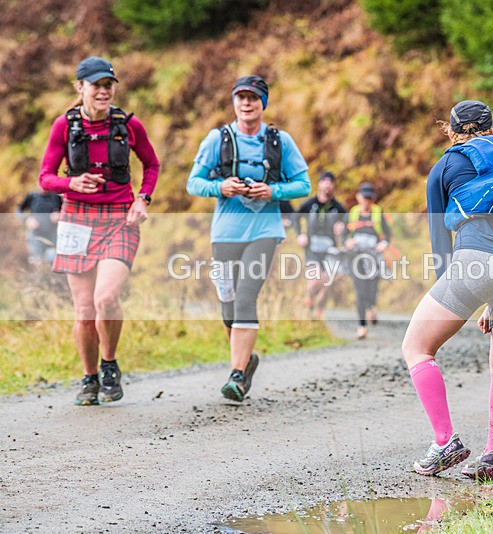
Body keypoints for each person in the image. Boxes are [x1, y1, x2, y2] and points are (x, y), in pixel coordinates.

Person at [403, 100, 493, 482]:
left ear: (451, 130)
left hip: (474, 262)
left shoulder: (445, 165)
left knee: (417, 347)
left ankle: (444, 442)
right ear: (492, 127)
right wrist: (489, 295)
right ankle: (492, 456)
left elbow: (440, 243)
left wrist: (462, 292)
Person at [38, 56, 160, 406]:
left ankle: (109, 364)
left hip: (120, 218)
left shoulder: (128, 124)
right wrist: (71, 182)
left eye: (109, 85)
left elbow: (151, 163)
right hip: (77, 218)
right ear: (80, 88)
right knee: (84, 310)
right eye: (96, 85)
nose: (104, 91)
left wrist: (143, 200)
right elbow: (45, 177)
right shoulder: (64, 125)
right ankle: (89, 378)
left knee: (105, 297)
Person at [187, 75, 311, 402]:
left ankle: (237, 375)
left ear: (263, 104)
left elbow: (303, 184)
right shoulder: (219, 139)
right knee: (227, 303)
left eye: (253, 98)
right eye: (240, 97)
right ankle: (246, 360)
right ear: (233, 102)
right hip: (225, 231)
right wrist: (220, 187)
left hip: (264, 231)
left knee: (245, 298)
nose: (246, 103)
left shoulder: (279, 140)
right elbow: (194, 183)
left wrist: (273, 190)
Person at [296, 171, 346, 319]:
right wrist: (300, 234)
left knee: (328, 281)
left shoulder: (338, 207)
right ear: (319, 184)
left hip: (330, 248)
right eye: (325, 181)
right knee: (316, 279)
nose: (328, 185)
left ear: (333, 186)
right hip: (312, 247)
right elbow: (296, 218)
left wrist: (342, 229)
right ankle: (308, 299)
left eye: (331, 182)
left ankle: (319, 309)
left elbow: (347, 224)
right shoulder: (309, 205)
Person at [344, 182, 391, 340]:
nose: (366, 201)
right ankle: (362, 326)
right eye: (364, 198)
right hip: (356, 257)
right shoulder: (353, 212)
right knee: (360, 291)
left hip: (373, 257)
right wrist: (347, 241)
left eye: (369, 198)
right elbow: (344, 233)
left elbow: (387, 233)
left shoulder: (378, 212)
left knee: (372, 289)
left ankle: (371, 306)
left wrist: (383, 244)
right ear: (358, 197)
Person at [16, 188, 62, 264]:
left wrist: (59, 215)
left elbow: (66, 211)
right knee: (37, 262)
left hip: (52, 237)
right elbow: (18, 211)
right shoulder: (31, 196)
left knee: (53, 259)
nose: (42, 188)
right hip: (35, 237)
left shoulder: (55, 196)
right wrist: (27, 220)